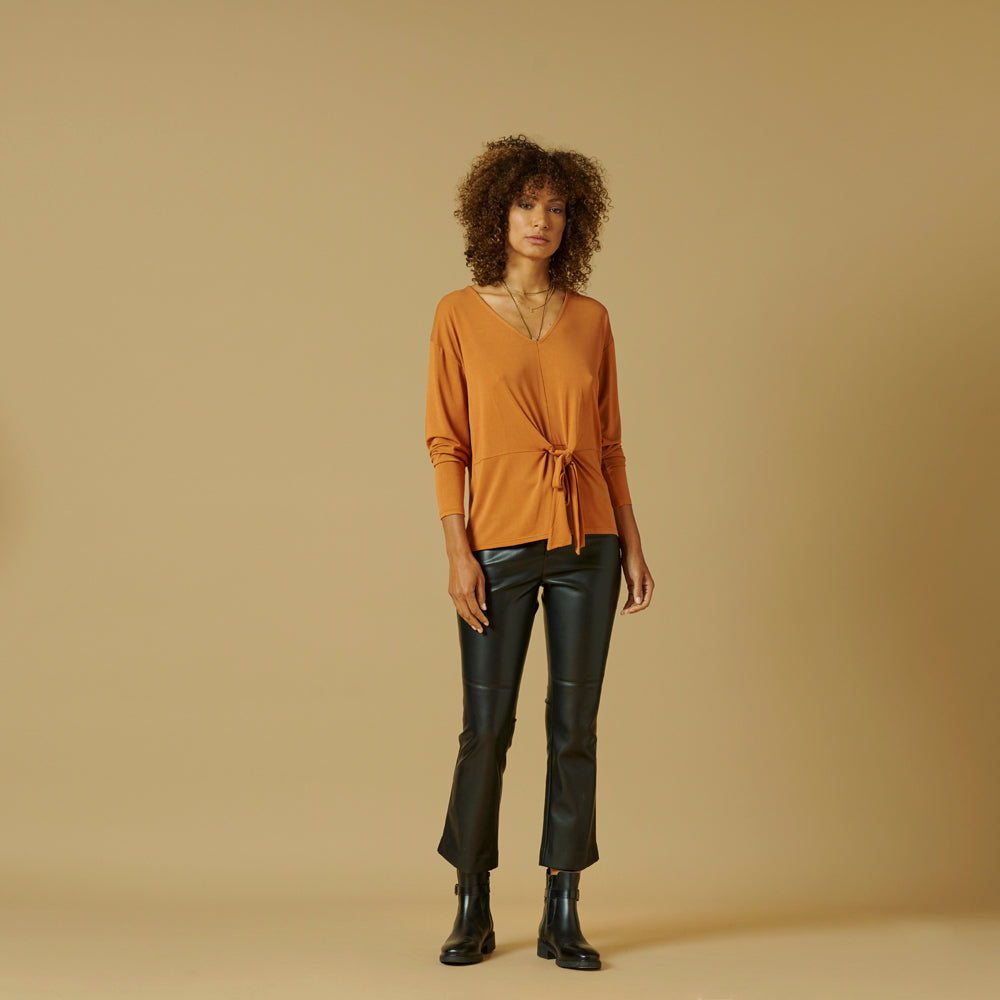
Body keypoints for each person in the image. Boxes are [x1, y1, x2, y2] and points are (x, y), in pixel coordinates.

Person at [424, 135, 654, 971]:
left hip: (589, 544)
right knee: (485, 729)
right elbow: (447, 442)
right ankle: (472, 900)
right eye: (526, 203)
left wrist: (632, 544)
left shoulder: (592, 319)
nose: (541, 220)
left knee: (574, 728)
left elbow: (610, 442)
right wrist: (458, 550)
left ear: (573, 222)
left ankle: (564, 907)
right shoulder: (457, 313)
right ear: (498, 212)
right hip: (498, 543)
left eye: (557, 206)